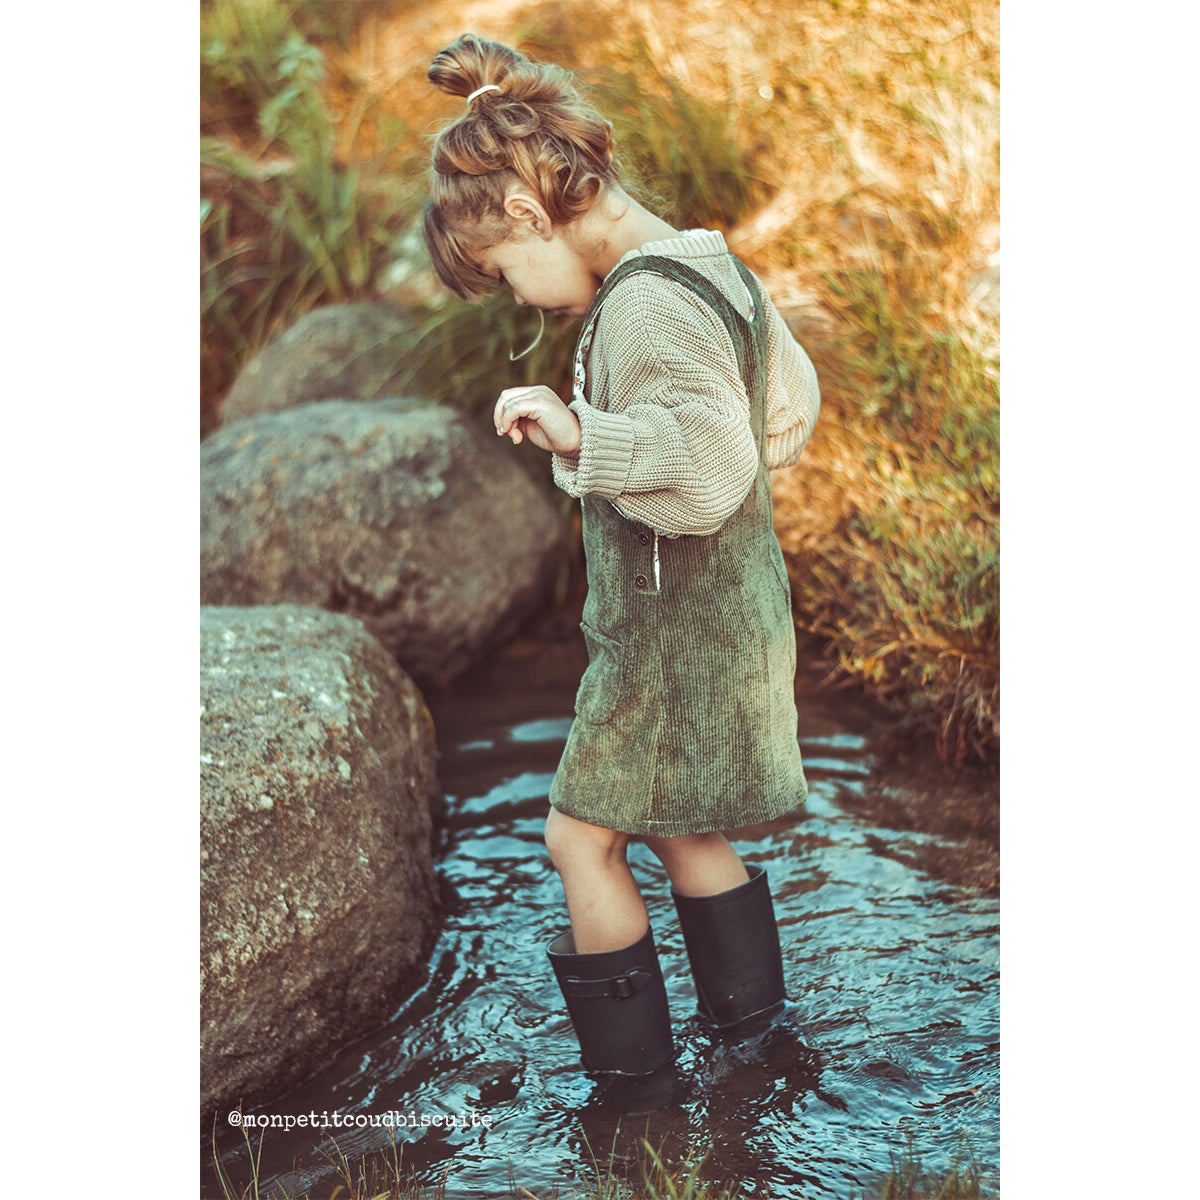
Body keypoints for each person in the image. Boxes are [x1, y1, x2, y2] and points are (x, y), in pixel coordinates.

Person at [422, 33, 820, 1076]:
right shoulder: (707, 263)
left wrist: (586, 436)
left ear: (526, 213)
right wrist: (644, 432)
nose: (522, 297)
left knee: (578, 838)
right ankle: (757, 1052)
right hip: (732, 619)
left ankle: (633, 1101)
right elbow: (786, 413)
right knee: (683, 827)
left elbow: (713, 468)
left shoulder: (640, 303)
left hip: (665, 639)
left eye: (507, 272)